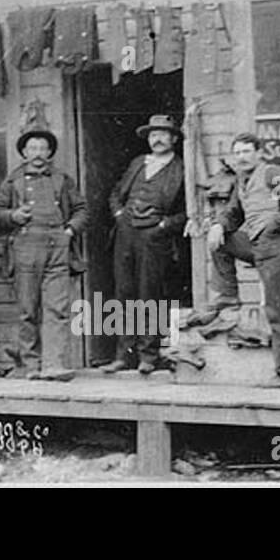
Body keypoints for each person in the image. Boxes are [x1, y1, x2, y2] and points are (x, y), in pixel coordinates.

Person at [204, 133, 280, 388]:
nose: (241, 157)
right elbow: (233, 213)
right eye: (237, 152)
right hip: (257, 246)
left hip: (278, 248)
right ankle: (229, 295)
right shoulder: (242, 181)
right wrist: (218, 225)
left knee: (278, 311)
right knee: (219, 239)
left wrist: (272, 226)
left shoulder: (273, 175)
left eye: (246, 151)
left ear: (259, 153)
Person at [0, 122, 86, 381]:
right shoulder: (12, 180)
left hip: (57, 247)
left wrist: (69, 231)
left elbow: (81, 210)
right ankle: (31, 365)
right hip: (25, 247)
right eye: (33, 148)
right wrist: (13, 215)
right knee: (28, 310)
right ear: (24, 153)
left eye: (43, 148)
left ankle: (54, 364)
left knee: (57, 308)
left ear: (50, 153)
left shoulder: (63, 180)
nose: (38, 153)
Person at [105, 115, 186, 375]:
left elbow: (189, 210)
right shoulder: (138, 163)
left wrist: (164, 226)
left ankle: (148, 356)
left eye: (163, 134)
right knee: (124, 292)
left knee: (149, 293)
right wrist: (119, 214)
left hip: (154, 237)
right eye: (153, 135)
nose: (158, 139)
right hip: (126, 234)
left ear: (173, 138)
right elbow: (116, 193)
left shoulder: (181, 169)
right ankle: (123, 354)